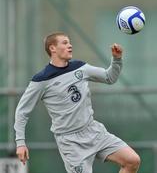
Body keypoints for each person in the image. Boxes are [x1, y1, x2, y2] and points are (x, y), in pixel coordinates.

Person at [14, 32, 140, 173]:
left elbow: (109, 77)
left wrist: (116, 59)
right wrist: (20, 143)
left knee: (132, 161)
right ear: (52, 48)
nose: (70, 45)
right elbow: (22, 112)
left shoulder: (80, 67)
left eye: (69, 42)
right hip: (70, 142)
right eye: (65, 42)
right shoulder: (42, 79)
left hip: (93, 131)